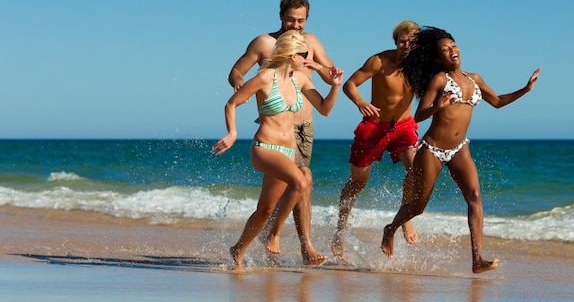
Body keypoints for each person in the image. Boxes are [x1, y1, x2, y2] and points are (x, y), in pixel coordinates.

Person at [380, 27, 541, 274]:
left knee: (475, 197)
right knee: (418, 205)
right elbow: (419, 115)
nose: (451, 50)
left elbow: (497, 102)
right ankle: (390, 228)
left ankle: (477, 259)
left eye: (453, 46)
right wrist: (438, 105)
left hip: (459, 149)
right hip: (432, 149)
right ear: (438, 59)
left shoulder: (475, 78)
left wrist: (525, 89)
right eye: (445, 50)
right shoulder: (439, 80)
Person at [214, 30, 344, 272]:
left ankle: (238, 249)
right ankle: (274, 233)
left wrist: (335, 86)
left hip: (287, 152)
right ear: (289, 54)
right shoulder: (265, 78)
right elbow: (231, 103)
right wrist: (232, 133)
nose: (306, 58)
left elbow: (324, 109)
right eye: (302, 54)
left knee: (265, 209)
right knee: (302, 179)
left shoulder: (300, 80)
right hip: (264, 148)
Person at [331, 20, 421, 260]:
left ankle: (404, 220)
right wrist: (360, 102)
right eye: (402, 41)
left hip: (404, 126)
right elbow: (350, 84)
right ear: (396, 42)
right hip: (374, 125)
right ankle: (340, 229)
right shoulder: (379, 61)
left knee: (416, 170)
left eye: (411, 42)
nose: (406, 46)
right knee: (358, 181)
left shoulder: (421, 67)